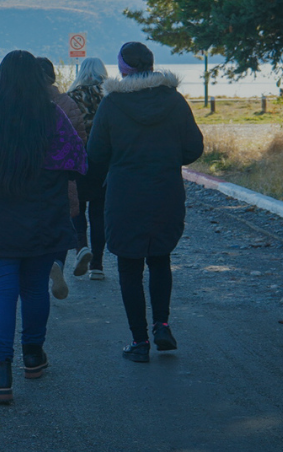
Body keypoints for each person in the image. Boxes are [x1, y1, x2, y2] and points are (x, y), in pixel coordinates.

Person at [0, 51, 87, 403]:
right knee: (35, 289)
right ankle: (33, 357)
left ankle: (0, 373)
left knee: (1, 292)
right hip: (41, 218)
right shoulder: (52, 116)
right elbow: (75, 161)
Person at [87, 42, 204, 363]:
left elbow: (96, 154)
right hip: (165, 189)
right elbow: (194, 148)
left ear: (124, 69)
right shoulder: (174, 101)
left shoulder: (111, 104)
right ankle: (162, 325)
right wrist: (166, 158)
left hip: (125, 194)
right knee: (160, 258)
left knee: (129, 265)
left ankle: (139, 342)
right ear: (151, 65)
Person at [36, 57, 90, 299]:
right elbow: (80, 139)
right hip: (62, 178)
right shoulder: (66, 102)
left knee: (35, 225)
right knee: (62, 223)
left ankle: (38, 270)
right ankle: (57, 263)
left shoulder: (24, 102)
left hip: (30, 177)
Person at [67, 56, 109, 280]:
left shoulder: (71, 97)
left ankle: (81, 247)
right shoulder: (111, 97)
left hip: (78, 159)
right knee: (99, 212)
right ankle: (98, 265)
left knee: (77, 208)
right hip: (102, 161)